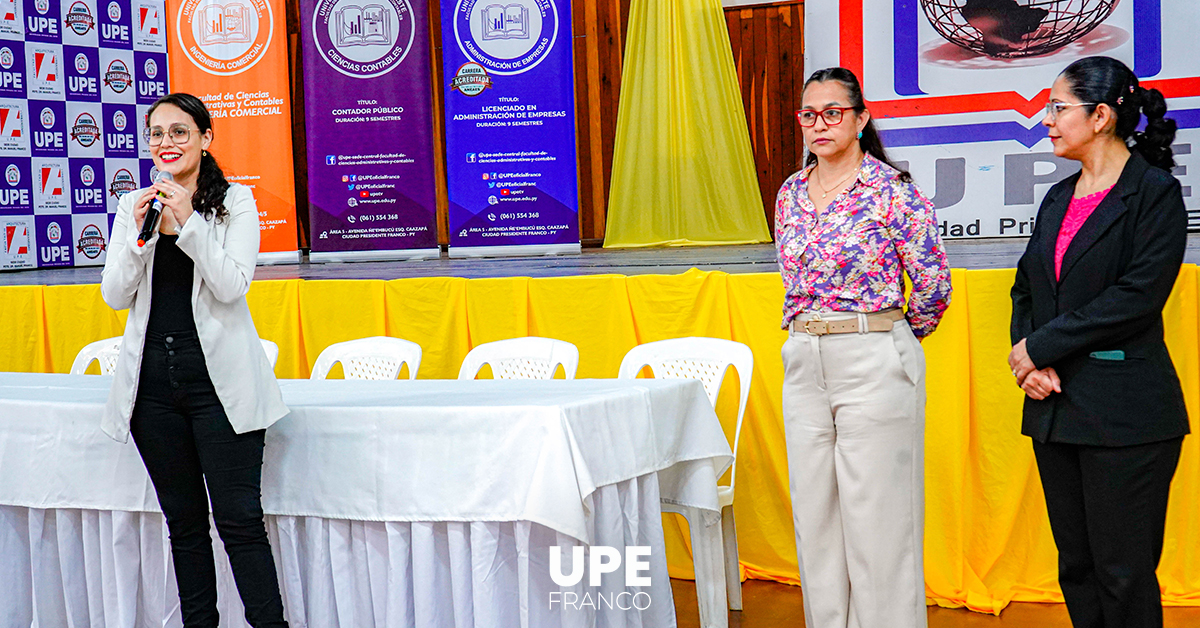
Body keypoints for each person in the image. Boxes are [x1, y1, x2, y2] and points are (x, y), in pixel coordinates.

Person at [1009, 56, 1188, 628]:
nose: (1047, 120)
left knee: (1123, 572)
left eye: (1058, 108)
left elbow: (1137, 297)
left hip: (1126, 416)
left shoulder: (1154, 193)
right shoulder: (1058, 197)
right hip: (1055, 410)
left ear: (1102, 115)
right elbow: (1026, 288)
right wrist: (1027, 360)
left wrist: (1042, 348)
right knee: (1077, 568)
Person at [100, 93, 290, 627]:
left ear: (206, 139)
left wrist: (188, 223)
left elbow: (231, 286)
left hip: (219, 387)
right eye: (157, 134)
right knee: (183, 525)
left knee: (239, 521)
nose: (167, 144)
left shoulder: (235, 203)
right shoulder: (133, 206)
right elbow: (115, 295)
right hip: (153, 389)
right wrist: (140, 240)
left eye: (180, 132)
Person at [776, 67, 952, 628]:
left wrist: (886, 338)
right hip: (804, 357)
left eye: (833, 112)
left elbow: (932, 286)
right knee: (816, 519)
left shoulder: (892, 190)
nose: (819, 124)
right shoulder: (789, 194)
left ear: (861, 119)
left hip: (872, 353)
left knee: (879, 524)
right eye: (809, 114)